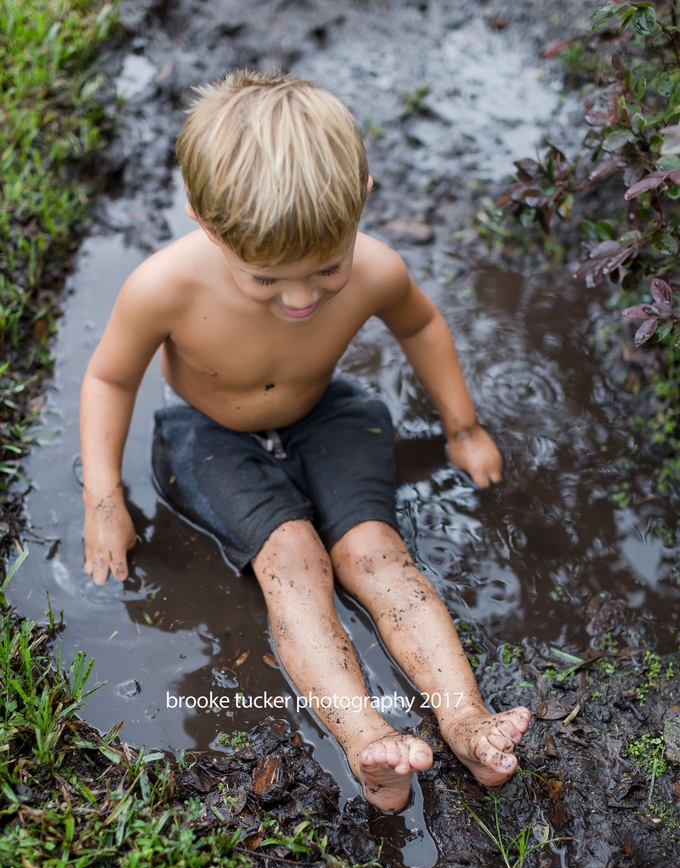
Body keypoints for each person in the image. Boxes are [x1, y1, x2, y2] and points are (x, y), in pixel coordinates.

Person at [80, 71, 530, 812]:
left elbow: (419, 325)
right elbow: (108, 381)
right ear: (205, 223)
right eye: (266, 280)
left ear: (363, 197)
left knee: (374, 549)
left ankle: (467, 719)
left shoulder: (376, 268)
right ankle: (366, 741)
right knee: (292, 556)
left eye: (327, 269)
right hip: (209, 431)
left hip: (326, 411)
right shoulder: (164, 288)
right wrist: (105, 496)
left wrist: (464, 426)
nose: (301, 299)